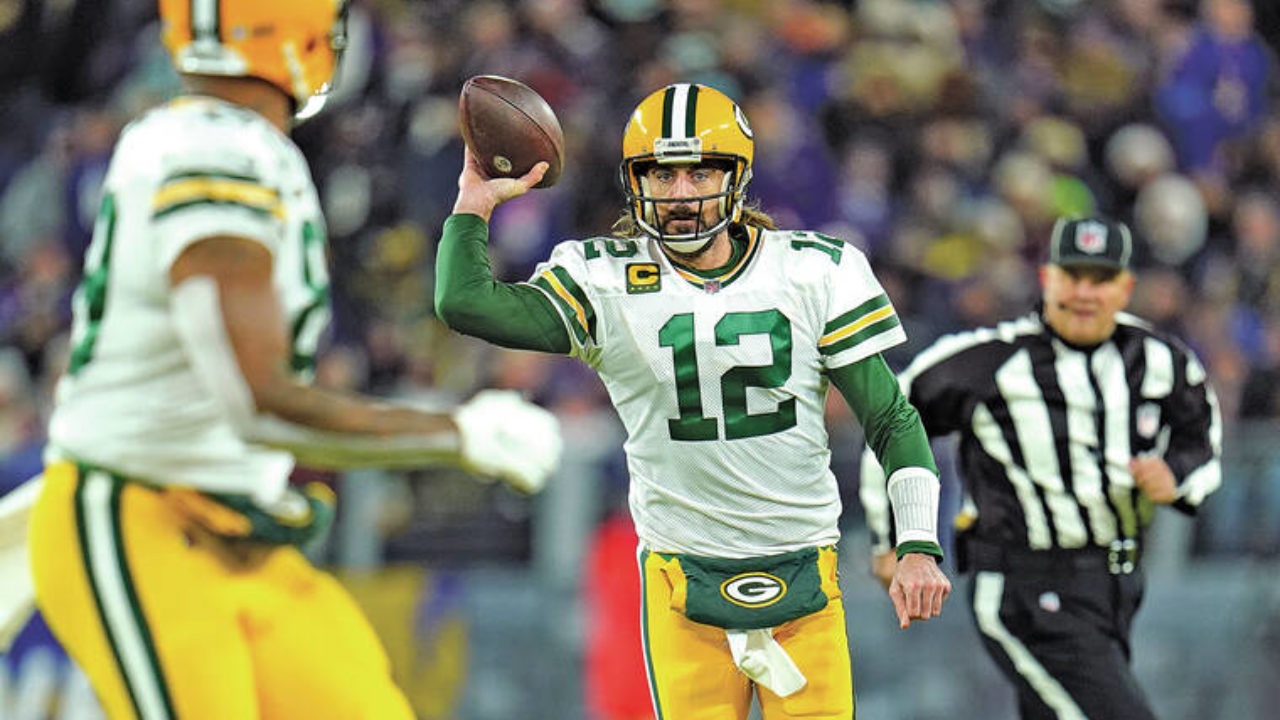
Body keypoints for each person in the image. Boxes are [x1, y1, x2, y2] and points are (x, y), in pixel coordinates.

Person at [24, 1, 563, 718]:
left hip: (238, 528)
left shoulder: (231, 142)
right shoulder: (216, 153)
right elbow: (256, 404)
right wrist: (459, 435)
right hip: (142, 517)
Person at [436, 82, 951, 719]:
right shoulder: (606, 280)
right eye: (662, 175)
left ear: (737, 177)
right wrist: (473, 204)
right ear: (635, 183)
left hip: (805, 574)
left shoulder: (814, 271)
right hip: (681, 583)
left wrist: (919, 543)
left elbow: (890, 417)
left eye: (699, 173)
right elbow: (463, 303)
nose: (680, 195)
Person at [861, 217, 1222, 720]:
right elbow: (893, 423)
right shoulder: (987, 362)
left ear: (1125, 286)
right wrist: (893, 539)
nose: (1084, 293)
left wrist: (1174, 476)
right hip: (1023, 584)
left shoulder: (1161, 361)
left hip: (1116, 580)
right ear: (1047, 278)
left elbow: (1201, 440)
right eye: (1072, 276)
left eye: (1099, 279)